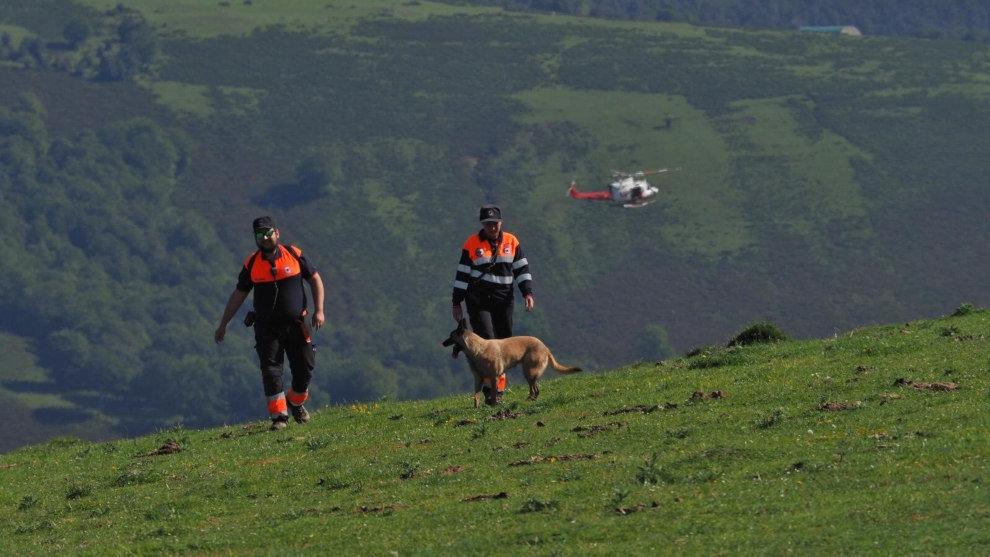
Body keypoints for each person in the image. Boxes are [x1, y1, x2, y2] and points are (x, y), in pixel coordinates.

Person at [215, 216, 325, 430]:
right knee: (271, 370)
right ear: (255, 238)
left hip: (297, 324)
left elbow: (315, 279)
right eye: (260, 235)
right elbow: (238, 294)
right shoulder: (252, 264)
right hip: (267, 328)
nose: (265, 238)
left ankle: (296, 403)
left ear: (277, 233)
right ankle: (279, 418)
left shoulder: (294, 254)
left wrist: (319, 310)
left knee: (305, 369)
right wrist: (223, 324)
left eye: (268, 233)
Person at [451, 204, 534, 404]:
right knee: (487, 342)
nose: (492, 228)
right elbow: (462, 275)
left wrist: (527, 293)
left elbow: (521, 270)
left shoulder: (512, 241)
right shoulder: (471, 244)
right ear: (482, 225)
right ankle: (490, 390)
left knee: (504, 345)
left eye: (495, 224)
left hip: (504, 300)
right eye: (488, 224)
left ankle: (499, 391)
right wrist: (457, 302)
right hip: (479, 302)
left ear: (500, 223)